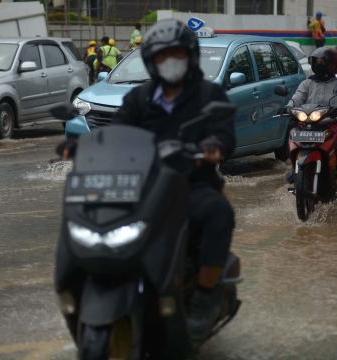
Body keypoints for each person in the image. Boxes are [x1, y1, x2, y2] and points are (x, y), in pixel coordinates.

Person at [56, 19, 236, 341]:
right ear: (152, 60)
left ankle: (205, 296)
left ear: (190, 55)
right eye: (162, 55)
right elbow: (115, 134)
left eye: (177, 53)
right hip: (141, 184)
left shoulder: (210, 94)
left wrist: (212, 148)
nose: (170, 61)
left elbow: (225, 137)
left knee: (219, 213)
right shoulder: (139, 98)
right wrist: (80, 146)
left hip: (191, 183)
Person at [284, 47, 337, 183]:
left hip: (332, 122)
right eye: (315, 62)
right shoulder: (307, 83)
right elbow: (297, 98)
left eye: (321, 62)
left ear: (332, 65)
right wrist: (287, 108)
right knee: (293, 141)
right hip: (308, 123)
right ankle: (295, 167)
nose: (318, 65)